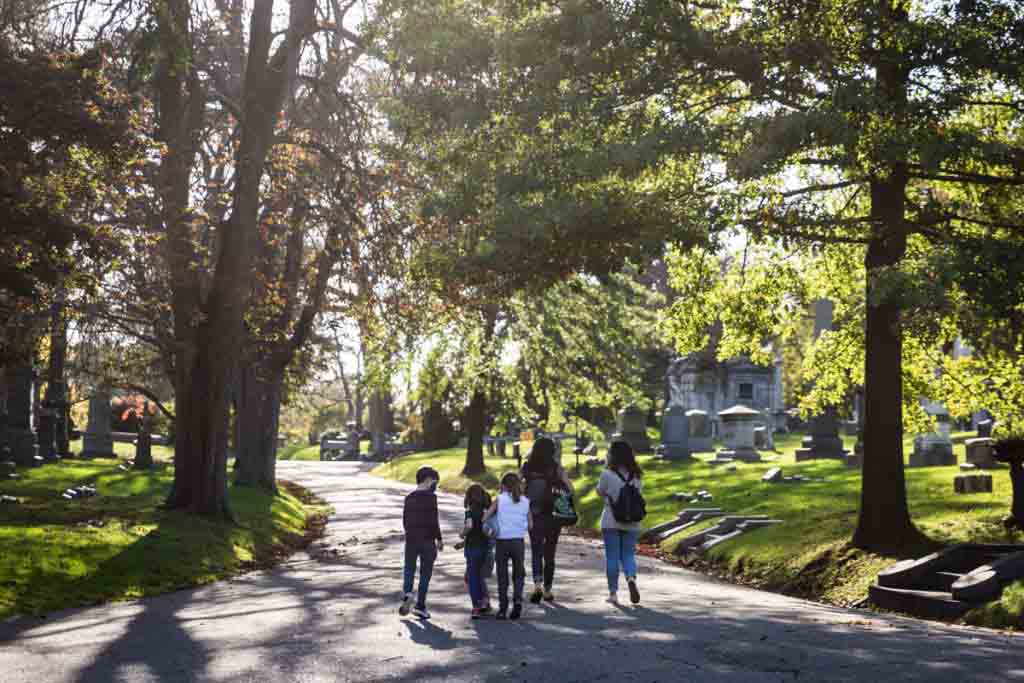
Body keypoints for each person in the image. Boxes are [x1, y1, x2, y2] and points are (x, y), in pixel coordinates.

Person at [521, 437, 574, 603]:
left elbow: (519, 488)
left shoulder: (527, 467)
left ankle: (537, 584)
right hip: (552, 514)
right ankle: (548, 590)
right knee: (550, 553)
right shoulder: (555, 467)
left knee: (536, 550)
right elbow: (570, 489)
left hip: (533, 513)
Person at [596, 441, 643, 605]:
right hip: (632, 522)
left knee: (612, 557)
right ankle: (630, 578)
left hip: (611, 519)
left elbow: (600, 491)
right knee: (628, 554)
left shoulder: (607, 474)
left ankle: (613, 593)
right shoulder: (636, 475)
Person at [484, 471, 531, 620]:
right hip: (518, 541)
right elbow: (531, 525)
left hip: (502, 541)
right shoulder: (525, 501)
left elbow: (485, 518)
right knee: (519, 573)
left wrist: (492, 525)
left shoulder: (500, 499)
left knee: (502, 575)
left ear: (503, 485)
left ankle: (503, 609)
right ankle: (517, 600)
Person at [400, 466, 443, 619]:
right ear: (428, 480)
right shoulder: (431, 498)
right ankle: (420, 606)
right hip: (427, 541)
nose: (435, 486)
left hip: (411, 540)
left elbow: (405, 521)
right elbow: (433, 520)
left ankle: (407, 593)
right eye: (435, 482)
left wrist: (410, 535)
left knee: (409, 569)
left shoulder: (409, 497)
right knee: (425, 573)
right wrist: (439, 539)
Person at [460, 484, 493, 619]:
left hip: (473, 547)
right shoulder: (488, 511)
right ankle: (485, 601)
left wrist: (462, 534)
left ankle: (476, 607)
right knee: (479, 576)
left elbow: (469, 526)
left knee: (472, 577)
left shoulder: (470, 511)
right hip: (486, 547)